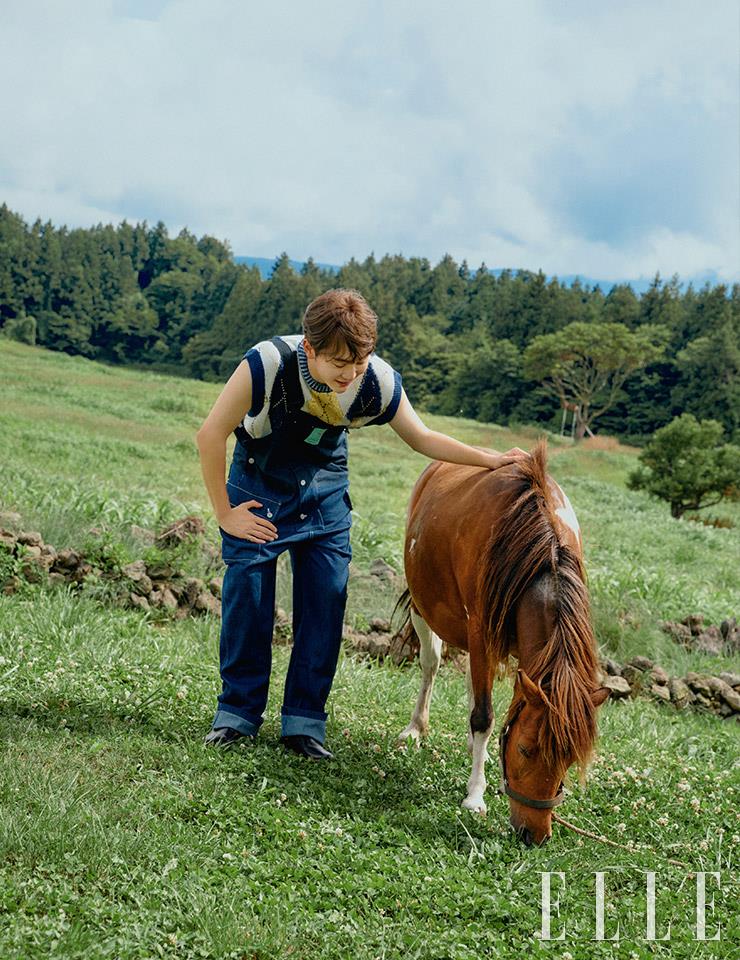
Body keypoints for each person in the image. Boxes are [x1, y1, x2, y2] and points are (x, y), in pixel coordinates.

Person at [196, 288, 528, 759]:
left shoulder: (378, 382)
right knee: (248, 599)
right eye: (338, 363)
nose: (349, 374)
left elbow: (422, 437)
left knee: (325, 604)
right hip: (259, 486)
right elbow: (210, 435)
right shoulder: (267, 363)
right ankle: (236, 717)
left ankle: (304, 725)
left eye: (359, 362)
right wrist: (225, 514)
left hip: (326, 490)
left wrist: (490, 460)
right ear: (309, 348)